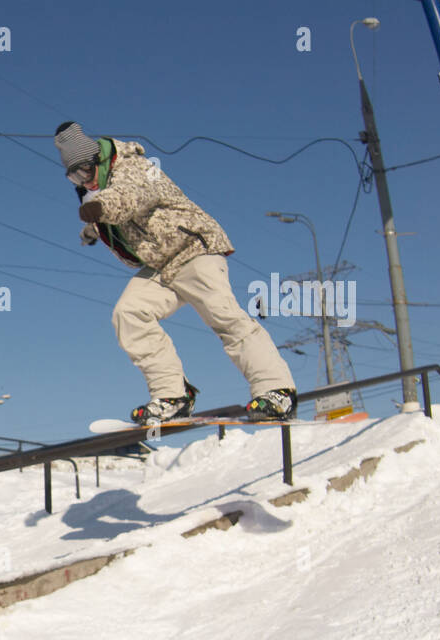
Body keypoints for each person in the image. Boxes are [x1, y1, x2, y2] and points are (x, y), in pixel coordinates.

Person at [54, 121, 298, 423]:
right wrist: (93, 229)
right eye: (73, 176)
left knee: (223, 317)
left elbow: (131, 197)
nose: (84, 181)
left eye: (84, 172)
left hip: (194, 249)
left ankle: (277, 390)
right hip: (163, 264)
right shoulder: (104, 186)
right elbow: (121, 213)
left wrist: (100, 208)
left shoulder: (134, 166)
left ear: (99, 160)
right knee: (129, 313)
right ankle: (172, 394)